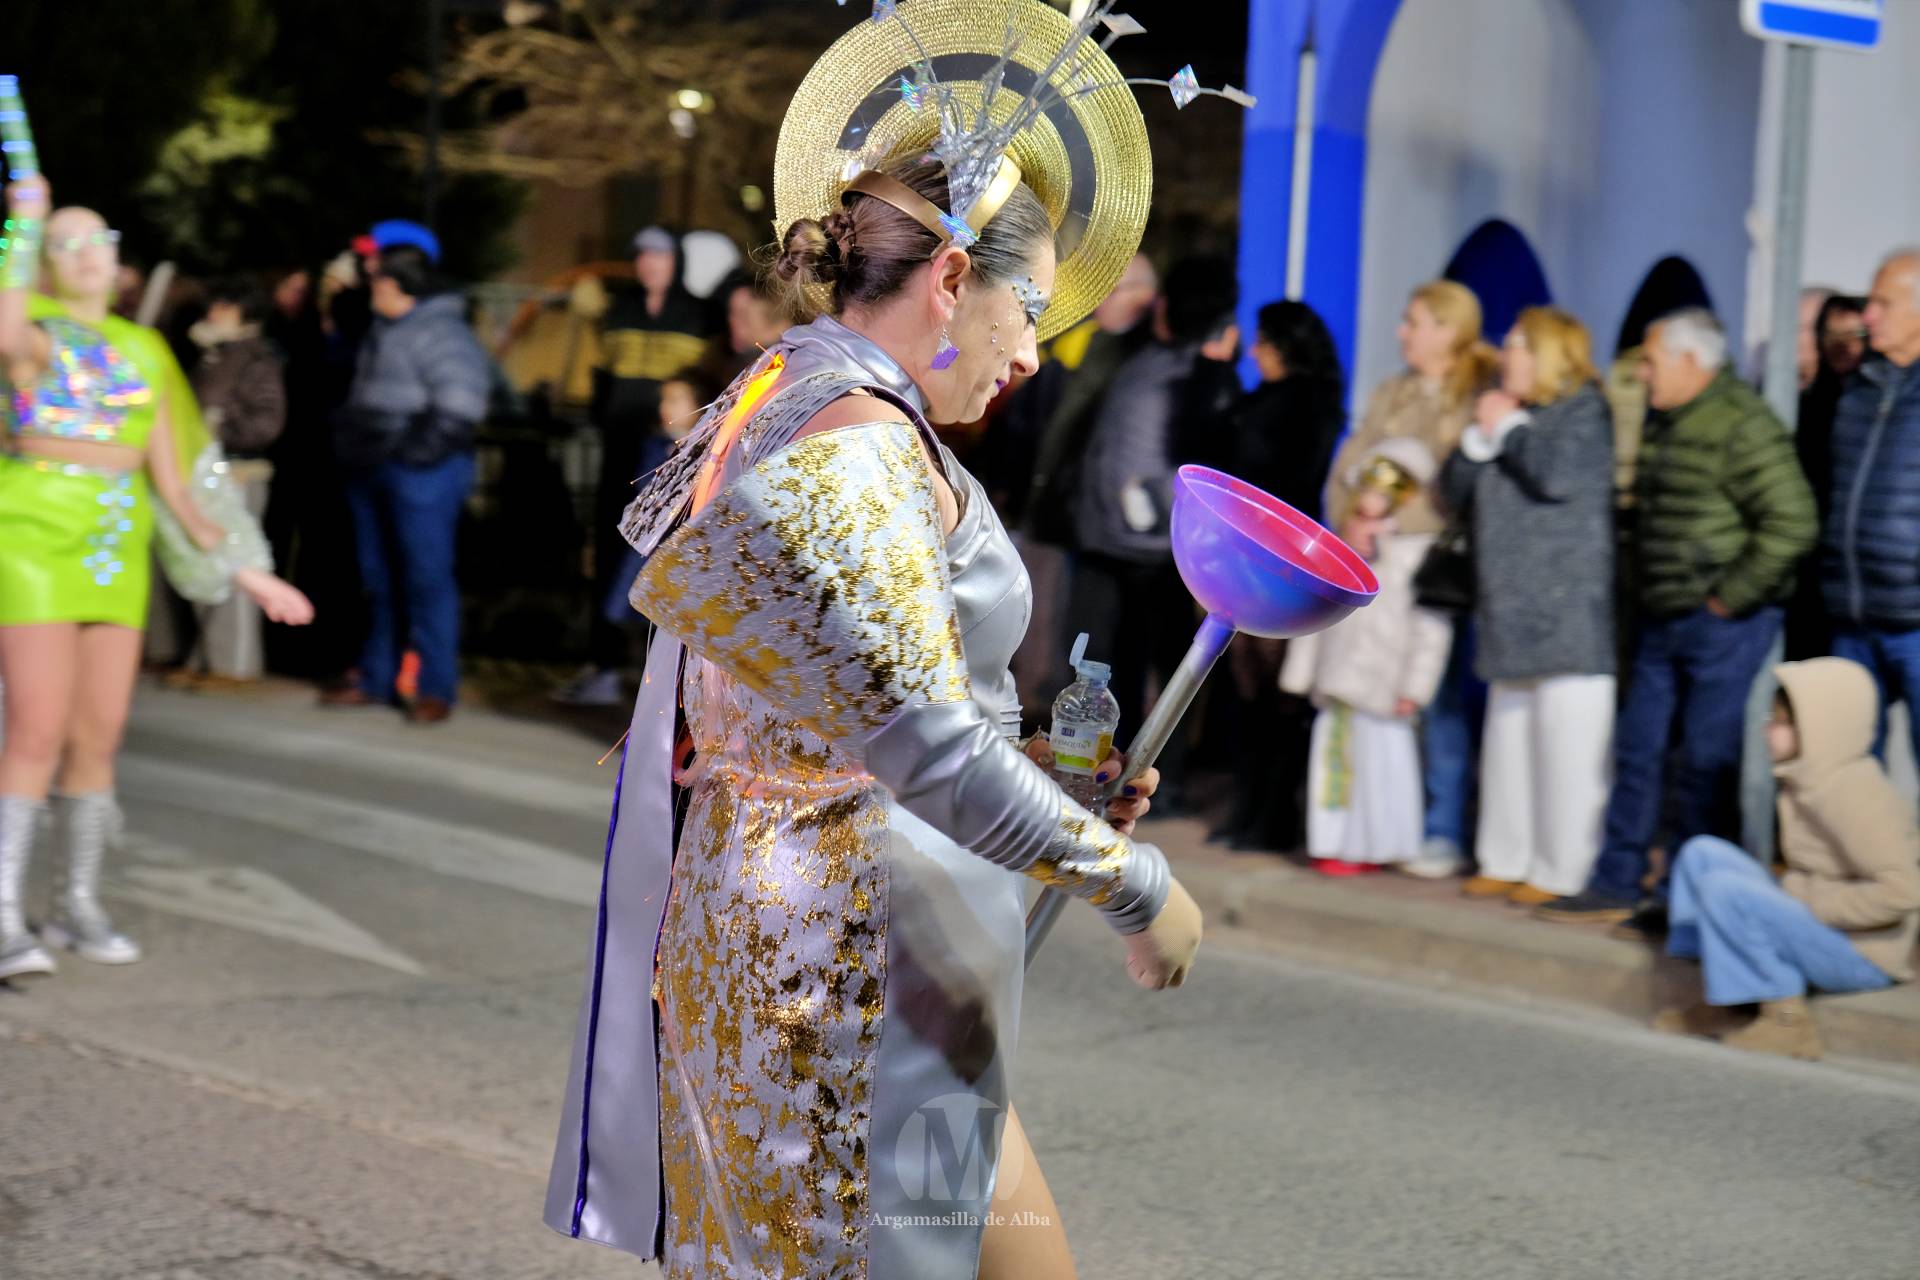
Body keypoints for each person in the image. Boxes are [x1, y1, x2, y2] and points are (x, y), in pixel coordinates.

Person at [544, 7, 1228, 1275]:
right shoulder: (849, 437)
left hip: (882, 932)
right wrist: (1135, 885)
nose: (1037, 345)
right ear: (956, 279)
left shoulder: (813, 399)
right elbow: (924, 748)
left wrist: (1051, 786)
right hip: (840, 966)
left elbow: (863, 702)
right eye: (1032, 302)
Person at [0, 181, 312, 980]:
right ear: (44, 260)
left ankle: (75, 904)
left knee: (97, 736)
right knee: (33, 729)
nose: (90, 252)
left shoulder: (147, 350)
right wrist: (23, 223)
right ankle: (3, 913)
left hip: (113, 549)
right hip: (29, 542)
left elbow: (183, 488)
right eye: (67, 242)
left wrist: (248, 571)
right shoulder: (32, 333)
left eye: (98, 236)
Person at [1540, 308, 1816, 925]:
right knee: (1639, 749)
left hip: (1722, 621)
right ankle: (1618, 880)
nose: (1642, 372)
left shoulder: (1742, 424)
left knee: (1704, 761)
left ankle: (1688, 899)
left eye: (1652, 359)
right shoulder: (1670, 418)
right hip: (1663, 616)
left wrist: (1729, 597)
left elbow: (1793, 520)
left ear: (1693, 362)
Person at [1654, 658, 1920, 1061]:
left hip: (1862, 954)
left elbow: (1903, 891)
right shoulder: (1808, 776)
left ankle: (1787, 1021)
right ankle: (1727, 994)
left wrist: (1814, 906)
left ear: (1819, 727)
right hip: (1827, 927)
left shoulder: (1856, 794)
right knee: (1702, 854)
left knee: (1724, 890)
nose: (1766, 729)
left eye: (1779, 721)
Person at [1440, 307, 1616, 906]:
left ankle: (1562, 868)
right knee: (1510, 750)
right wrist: (1477, 439)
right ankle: (1505, 855)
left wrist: (1509, 428)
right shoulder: (1506, 411)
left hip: (1566, 610)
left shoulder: (1584, 411)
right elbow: (1453, 492)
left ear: (1547, 354)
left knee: (1567, 754)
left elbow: (1557, 475)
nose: (1503, 354)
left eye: (1515, 344)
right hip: (1507, 607)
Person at [1335, 281, 1499, 880]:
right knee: (1376, 698)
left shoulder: (1476, 395)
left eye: (1415, 321)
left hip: (1432, 570)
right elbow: (1351, 461)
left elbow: (1463, 491)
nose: (1402, 332)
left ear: (1449, 330)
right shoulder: (1392, 390)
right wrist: (1350, 520)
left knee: (1437, 697)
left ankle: (1443, 829)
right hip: (1372, 564)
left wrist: (1395, 518)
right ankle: (1379, 826)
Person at [1069, 254, 1239, 812]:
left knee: (1162, 666)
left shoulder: (1176, 373)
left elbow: (1167, 467)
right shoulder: (1167, 365)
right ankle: (1140, 772)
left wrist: (1143, 515)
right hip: (1139, 543)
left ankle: (1157, 776)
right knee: (1145, 665)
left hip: (1148, 546)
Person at [322, 244, 490, 724]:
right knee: (380, 578)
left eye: (379, 282)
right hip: (381, 465)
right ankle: (378, 676)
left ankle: (436, 687)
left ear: (399, 289)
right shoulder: (387, 327)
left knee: (426, 578)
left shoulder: (442, 333)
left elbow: (461, 405)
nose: (371, 289)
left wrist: (411, 454)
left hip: (420, 471)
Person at [552, 226, 711, 708]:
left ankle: (659, 679)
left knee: (666, 559)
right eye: (642, 255)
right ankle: (601, 664)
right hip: (619, 451)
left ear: (675, 260)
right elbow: (599, 377)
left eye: (659, 255)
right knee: (610, 550)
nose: (649, 264)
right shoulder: (618, 311)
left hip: (673, 459)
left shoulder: (697, 315)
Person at [1207, 300, 1345, 851]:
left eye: (1264, 341)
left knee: (1278, 694)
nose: (1256, 351)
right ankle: (1249, 808)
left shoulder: (1308, 403)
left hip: (1281, 559)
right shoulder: (1265, 397)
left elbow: (1278, 473)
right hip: (1249, 553)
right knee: (1249, 692)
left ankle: (1273, 815)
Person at [1282, 439, 1452, 874]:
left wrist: (1415, 687)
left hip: (1384, 685)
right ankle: (1333, 842)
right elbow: (1317, 613)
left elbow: (1430, 629)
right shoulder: (1341, 550)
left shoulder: (1415, 557)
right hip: (1337, 680)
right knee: (1334, 764)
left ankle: (1375, 845)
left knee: (1382, 769)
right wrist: (1300, 674)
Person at [1822, 249, 1920, 764]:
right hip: (1854, 615)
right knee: (1852, 770)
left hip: (1915, 621)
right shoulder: (1860, 389)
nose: (1868, 316)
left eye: (1884, 302)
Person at [173, 277, 288, 685]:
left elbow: (267, 419)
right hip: (205, 470)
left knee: (240, 561)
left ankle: (234, 663)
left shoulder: (255, 357)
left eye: (226, 306)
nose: (214, 314)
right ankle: (205, 657)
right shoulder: (209, 353)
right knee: (208, 562)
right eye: (214, 305)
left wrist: (220, 429)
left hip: (239, 470)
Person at [1785, 291, 1867, 660]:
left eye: (1853, 336)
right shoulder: (1804, 402)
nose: (1841, 347)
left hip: (1848, 576)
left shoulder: (1868, 400)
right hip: (1807, 569)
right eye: (1827, 335)